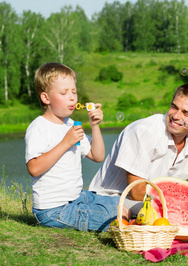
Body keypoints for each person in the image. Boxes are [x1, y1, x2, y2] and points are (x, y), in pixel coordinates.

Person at [25, 62, 129, 231]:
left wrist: (95, 125)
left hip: (76, 198)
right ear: (46, 98)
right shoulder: (39, 127)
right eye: (64, 93)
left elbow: (97, 156)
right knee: (119, 215)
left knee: (124, 202)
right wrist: (66, 142)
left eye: (74, 91)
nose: (72, 97)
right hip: (53, 210)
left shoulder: (72, 124)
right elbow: (34, 168)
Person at [89, 82, 188, 215]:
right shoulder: (142, 131)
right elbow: (136, 192)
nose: (176, 116)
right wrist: (178, 206)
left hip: (156, 203)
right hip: (111, 198)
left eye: (186, 113)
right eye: (174, 107)